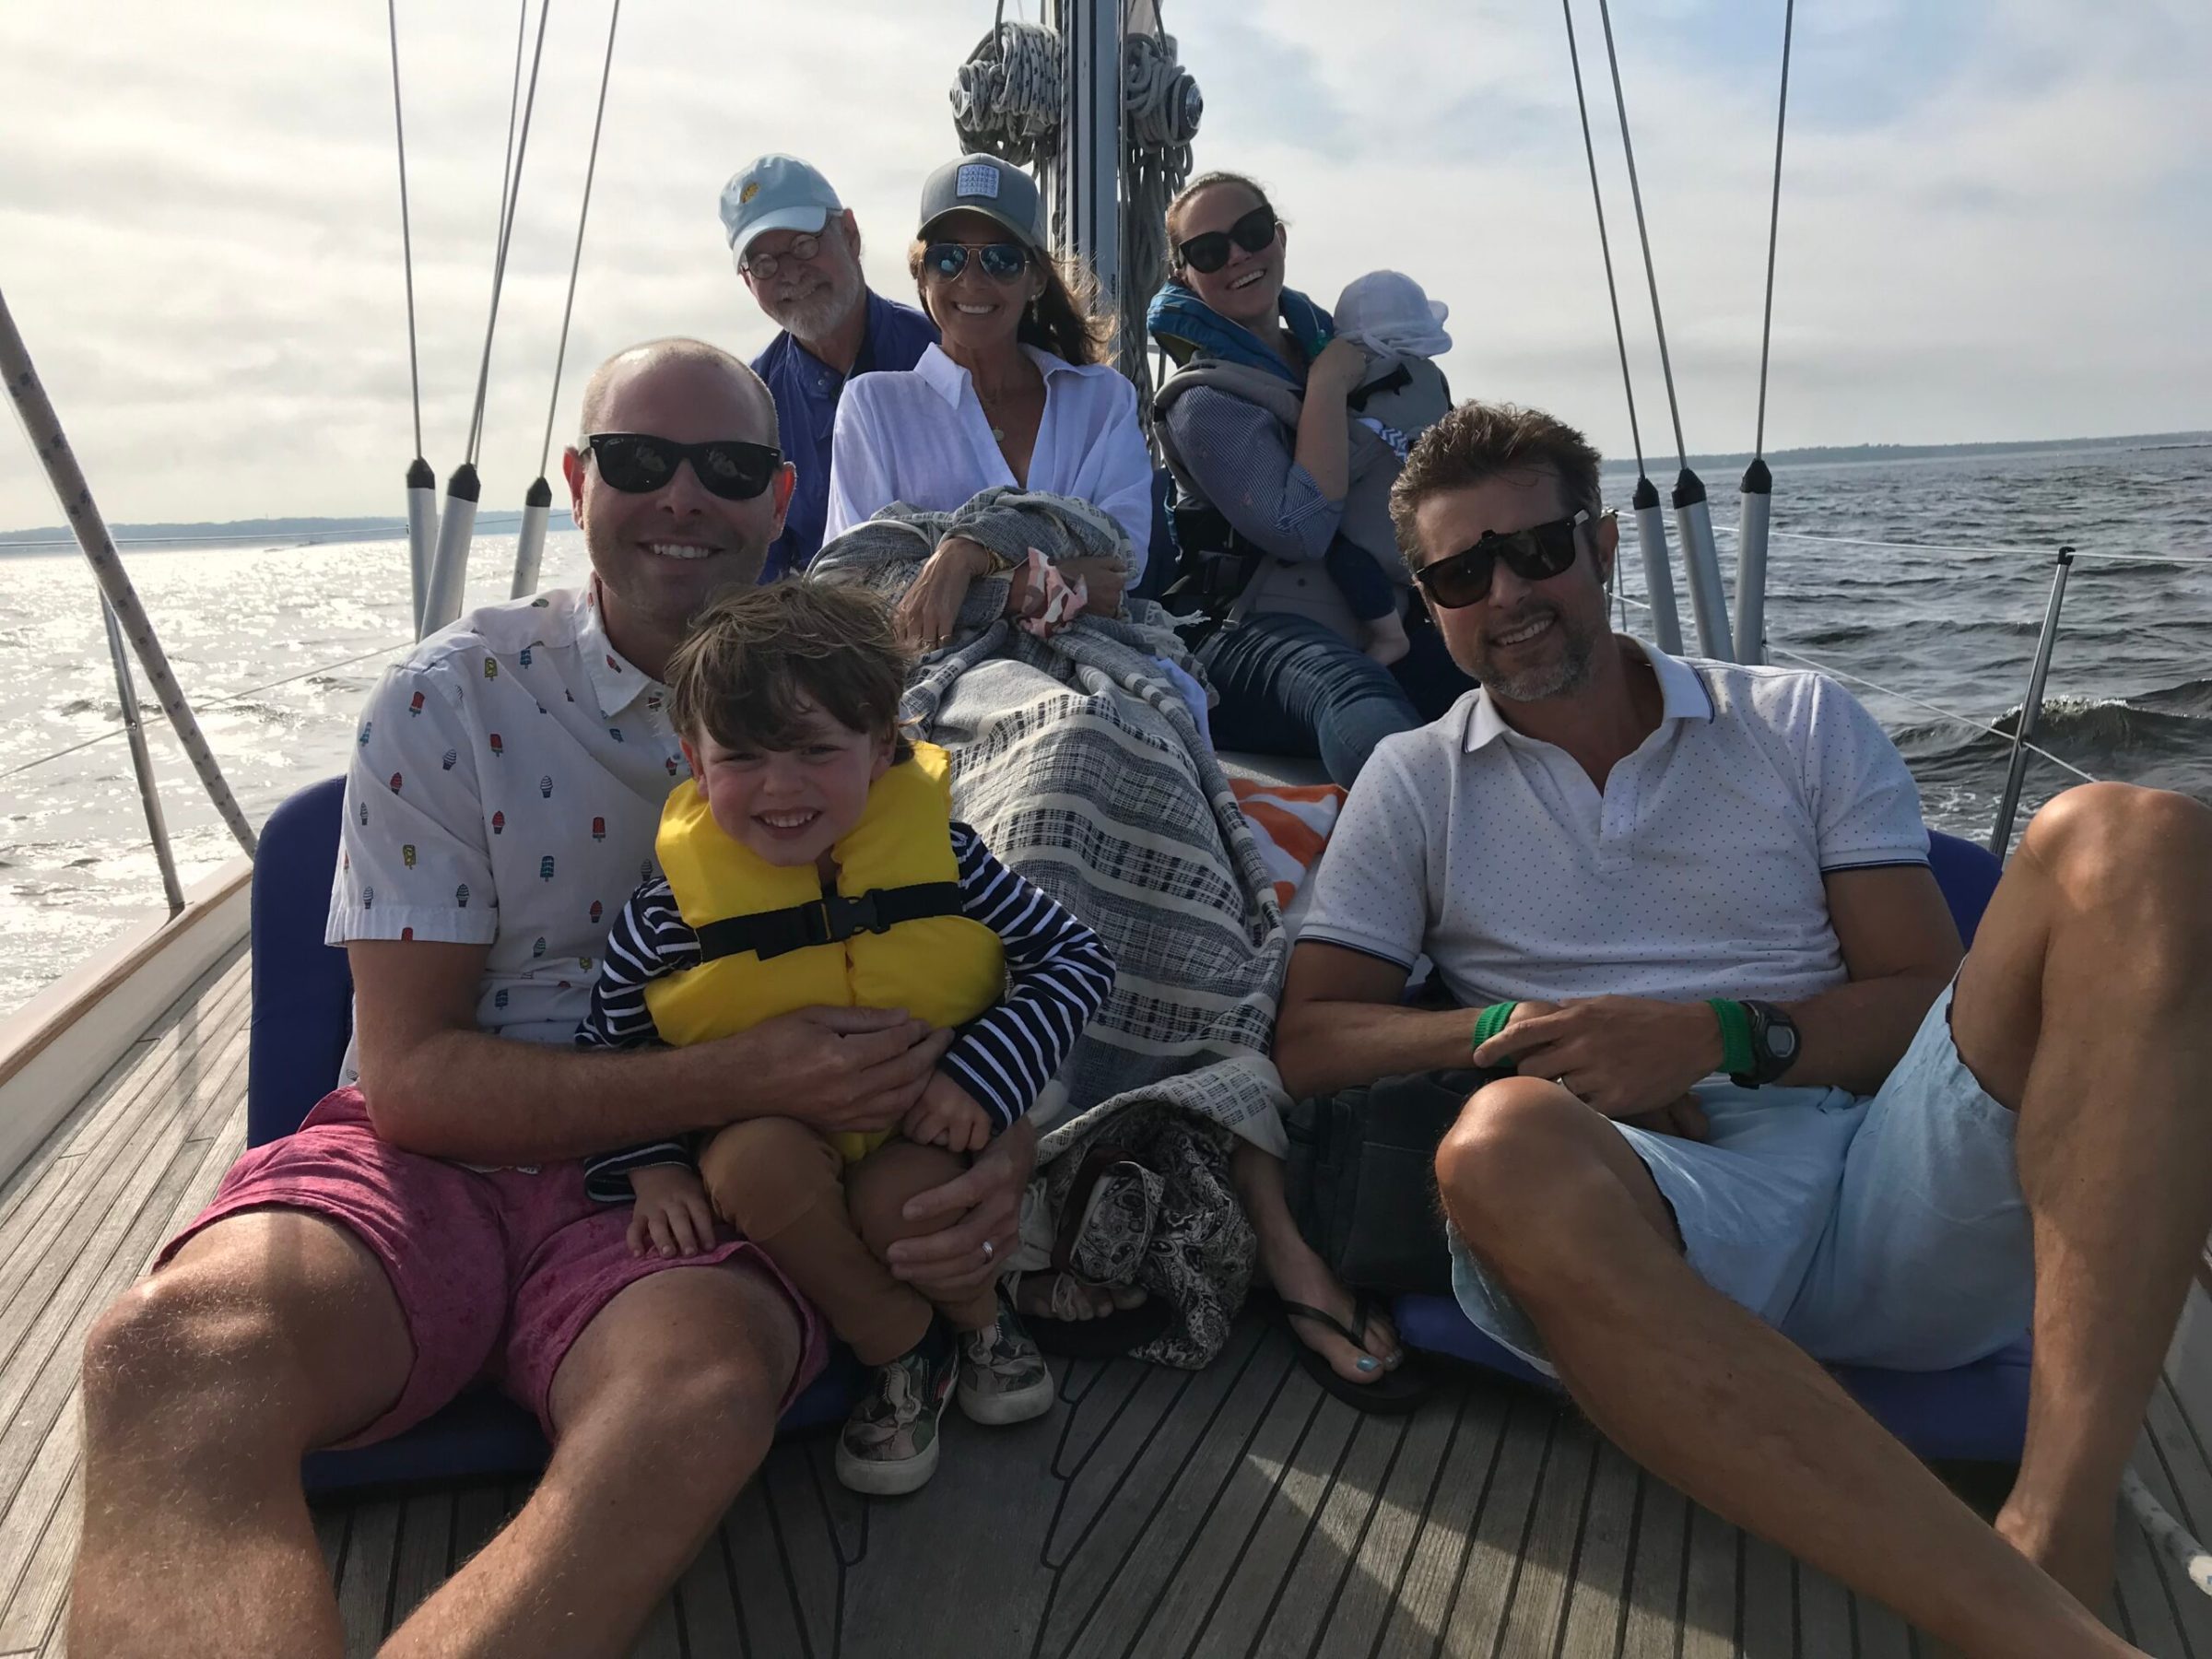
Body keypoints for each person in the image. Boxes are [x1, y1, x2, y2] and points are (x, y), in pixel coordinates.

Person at [68, 340, 1037, 1658]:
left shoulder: (858, 713)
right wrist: (742, 1077)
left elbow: (971, 954)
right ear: (580, 480)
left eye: (729, 468)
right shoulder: (445, 699)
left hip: (715, 1188)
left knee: (690, 1401)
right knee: (173, 1357)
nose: (683, 498)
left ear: (780, 495)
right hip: (437, 1162)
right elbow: (410, 1083)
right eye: (640, 462)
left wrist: (1000, 1136)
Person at [1273, 398, 2212, 1656]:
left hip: (1890, 1180)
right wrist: (1517, 1025)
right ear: (1430, 599)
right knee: (1498, 1148)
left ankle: (2057, 1523)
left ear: (1603, 546)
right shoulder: (1416, 783)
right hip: (1653, 1223)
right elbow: (1312, 1039)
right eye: (1460, 571)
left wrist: (1716, 1036)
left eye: (1539, 550)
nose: (1508, 593)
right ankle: (2036, 1635)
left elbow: (1925, 1002)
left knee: (2134, 837)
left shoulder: (1797, 722)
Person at [574, 581, 1114, 1496]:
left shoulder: (950, 864)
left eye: (817, 752)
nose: (781, 788)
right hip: (775, 1145)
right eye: (742, 758)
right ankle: (903, 1350)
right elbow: (610, 1047)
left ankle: (983, 1319)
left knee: (904, 1203)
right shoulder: (670, 917)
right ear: (695, 769)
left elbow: (1074, 958)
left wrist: (984, 1081)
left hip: (919, 1132)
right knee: (746, 1168)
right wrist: (654, 1165)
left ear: (881, 750)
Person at [1147, 171, 1475, 785]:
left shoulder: (1343, 351)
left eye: (1250, 233)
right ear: (1184, 275)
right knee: (1354, 690)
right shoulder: (1204, 403)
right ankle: (1441, 853)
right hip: (1246, 632)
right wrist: (1326, 387)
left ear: (1278, 238)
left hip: (1378, 611)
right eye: (1210, 251)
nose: (1238, 255)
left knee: (1501, 667)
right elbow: (1299, 530)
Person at [823, 152, 1157, 641]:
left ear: (1037, 279)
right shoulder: (872, 406)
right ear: (922, 276)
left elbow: (1120, 566)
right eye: (948, 258)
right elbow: (854, 585)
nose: (973, 281)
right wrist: (1025, 586)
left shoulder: (1104, 400)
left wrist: (965, 555)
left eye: (1002, 259)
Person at [721, 153, 937, 580]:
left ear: (851, 235)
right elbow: (752, 579)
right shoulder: (749, 407)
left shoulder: (944, 356)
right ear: (749, 282)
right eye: (763, 263)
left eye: (804, 244)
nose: (789, 273)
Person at [1321, 268, 1456, 665]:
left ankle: (1388, 636)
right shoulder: (1430, 379)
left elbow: (1332, 466)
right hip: (1427, 540)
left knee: (1332, 550)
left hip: (1371, 546)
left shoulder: (1359, 387)